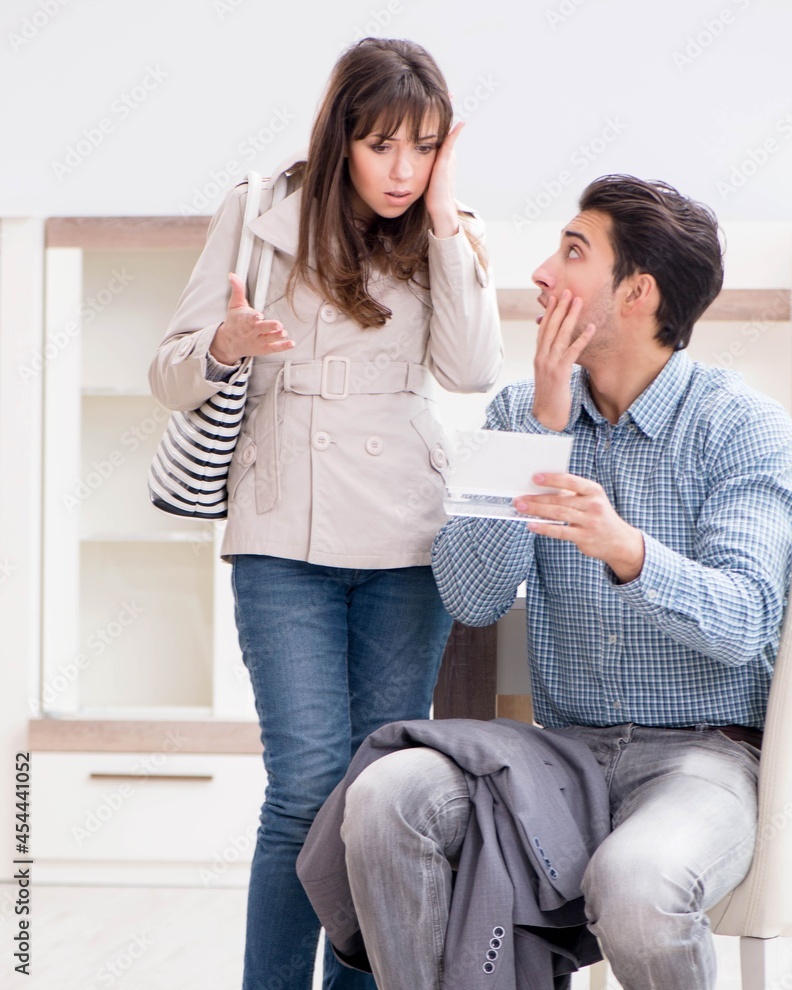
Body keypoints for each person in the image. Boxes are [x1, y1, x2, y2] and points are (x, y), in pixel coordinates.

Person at [322, 174, 792, 989]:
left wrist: (627, 550)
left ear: (637, 294)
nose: (542, 273)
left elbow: (744, 620)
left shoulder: (741, 427)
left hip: (705, 759)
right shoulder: (520, 414)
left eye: (573, 252)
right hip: (566, 755)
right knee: (387, 796)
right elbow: (472, 598)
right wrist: (539, 436)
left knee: (637, 886)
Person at [148, 37, 502, 990]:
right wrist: (226, 342)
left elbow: (472, 369)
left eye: (423, 148)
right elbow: (168, 372)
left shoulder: (447, 231)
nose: (402, 170)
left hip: (405, 538)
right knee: (307, 788)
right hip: (282, 533)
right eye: (383, 145)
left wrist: (445, 217)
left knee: (377, 798)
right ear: (341, 137)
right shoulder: (259, 211)